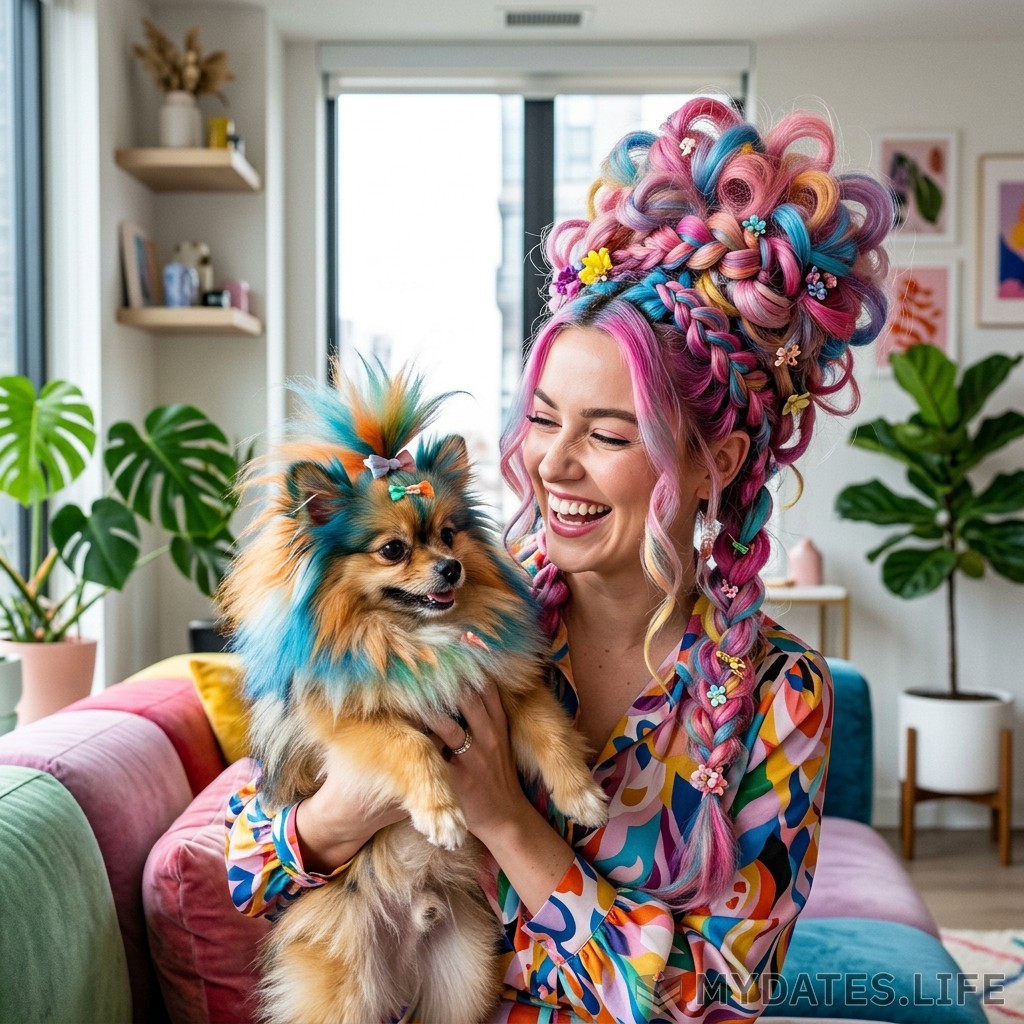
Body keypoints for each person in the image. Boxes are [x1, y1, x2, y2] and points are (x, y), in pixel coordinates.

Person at [225, 95, 893, 1022]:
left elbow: (717, 1000)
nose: (553, 463)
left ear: (717, 463)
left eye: (608, 434)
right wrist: (350, 810)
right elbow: (246, 868)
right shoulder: (460, 617)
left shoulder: (781, 696)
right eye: (541, 420)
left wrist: (505, 815)